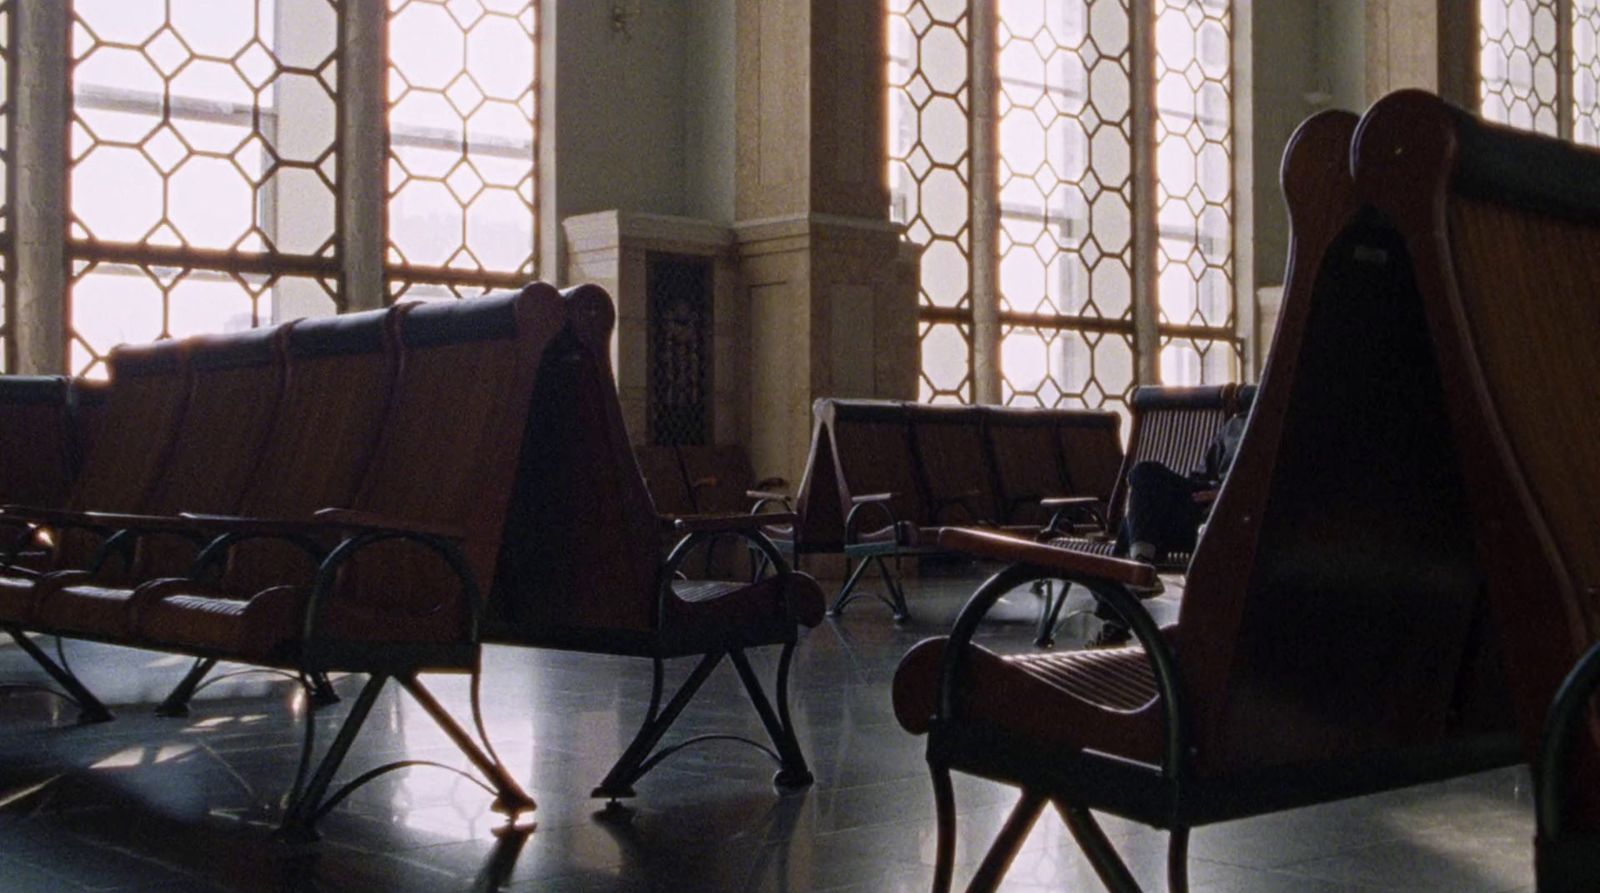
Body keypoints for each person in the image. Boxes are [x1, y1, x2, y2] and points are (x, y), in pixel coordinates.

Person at [1091, 410, 1247, 647]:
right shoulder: (1235, 424)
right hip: (1197, 507)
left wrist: (1224, 493)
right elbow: (1201, 475)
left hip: (1228, 514)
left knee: (1133, 522)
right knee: (1144, 473)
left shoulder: (1273, 433)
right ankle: (1141, 565)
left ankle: (1134, 579)